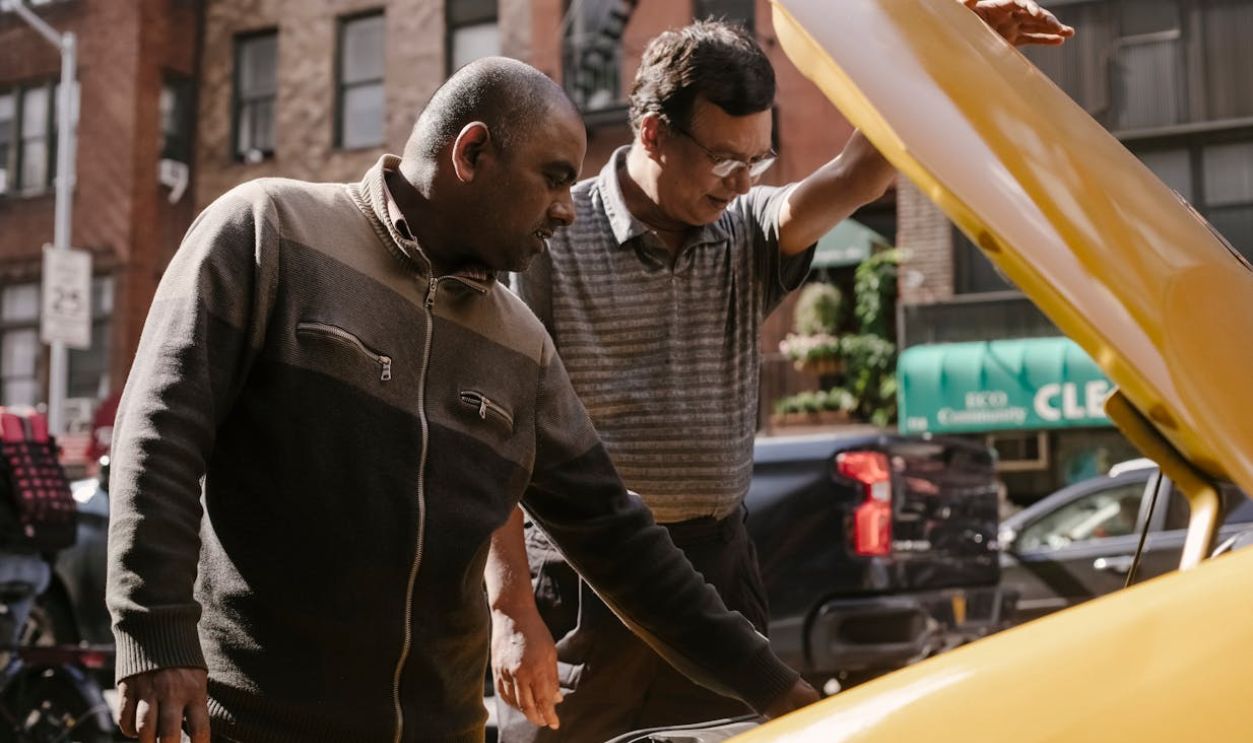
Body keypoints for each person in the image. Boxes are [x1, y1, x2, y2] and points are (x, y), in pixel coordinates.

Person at [104, 57, 817, 743]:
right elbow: (160, 435)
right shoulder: (269, 232)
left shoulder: (521, 345)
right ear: (472, 153)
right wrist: (156, 636)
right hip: (252, 723)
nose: (567, 211)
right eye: (553, 179)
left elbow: (619, 539)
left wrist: (779, 691)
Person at [489, 3, 1074, 741]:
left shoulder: (748, 230)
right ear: (652, 135)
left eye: (756, 159)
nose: (741, 182)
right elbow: (497, 428)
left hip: (715, 573)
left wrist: (948, 48)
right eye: (724, 160)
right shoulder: (553, 234)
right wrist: (509, 606)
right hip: (576, 577)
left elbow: (861, 170)